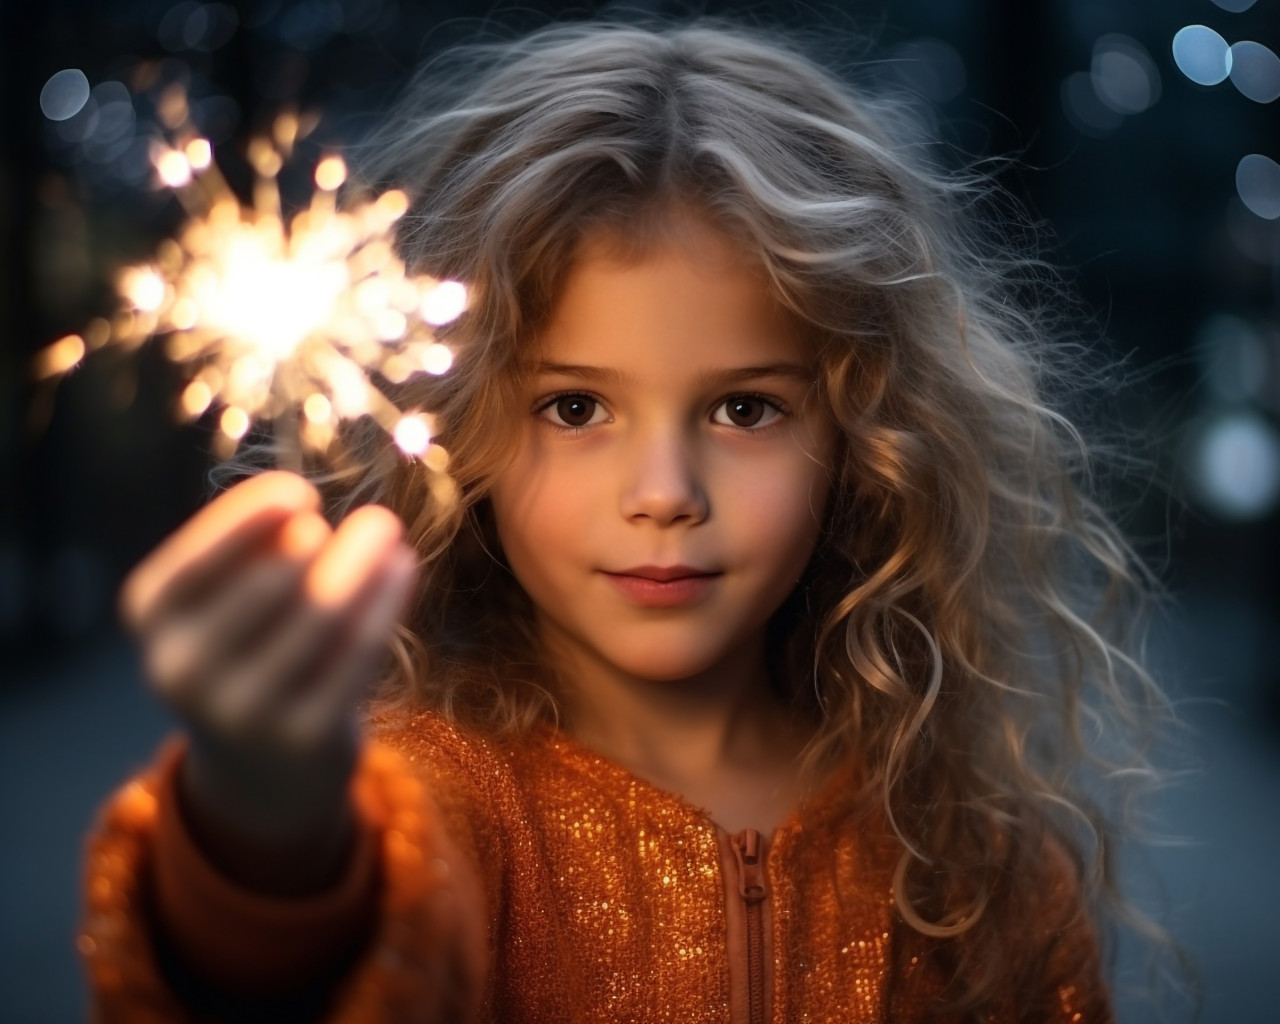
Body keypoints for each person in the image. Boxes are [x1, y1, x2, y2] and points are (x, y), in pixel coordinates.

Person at [79, 18, 1177, 1023]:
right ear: (456, 432)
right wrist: (259, 828)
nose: (663, 491)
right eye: (574, 407)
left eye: (744, 408)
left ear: (865, 432)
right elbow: (294, 972)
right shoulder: (425, 808)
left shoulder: (969, 855)